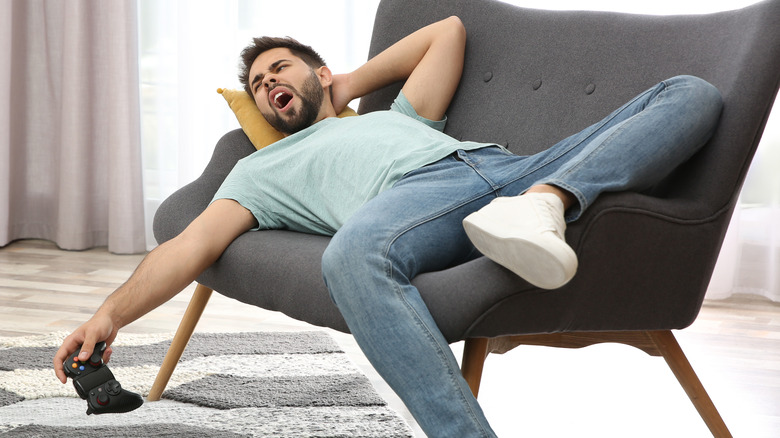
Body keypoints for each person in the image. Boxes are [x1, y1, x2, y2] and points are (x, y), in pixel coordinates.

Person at [54, 16, 722, 437]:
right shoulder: (256, 174)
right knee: (351, 255)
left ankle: (549, 200)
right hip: (417, 201)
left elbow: (449, 32)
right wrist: (109, 316)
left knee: (691, 93)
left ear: (317, 72)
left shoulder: (397, 117)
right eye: (258, 84)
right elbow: (188, 247)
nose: (266, 86)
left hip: (504, 171)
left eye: (279, 68)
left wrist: (343, 87)